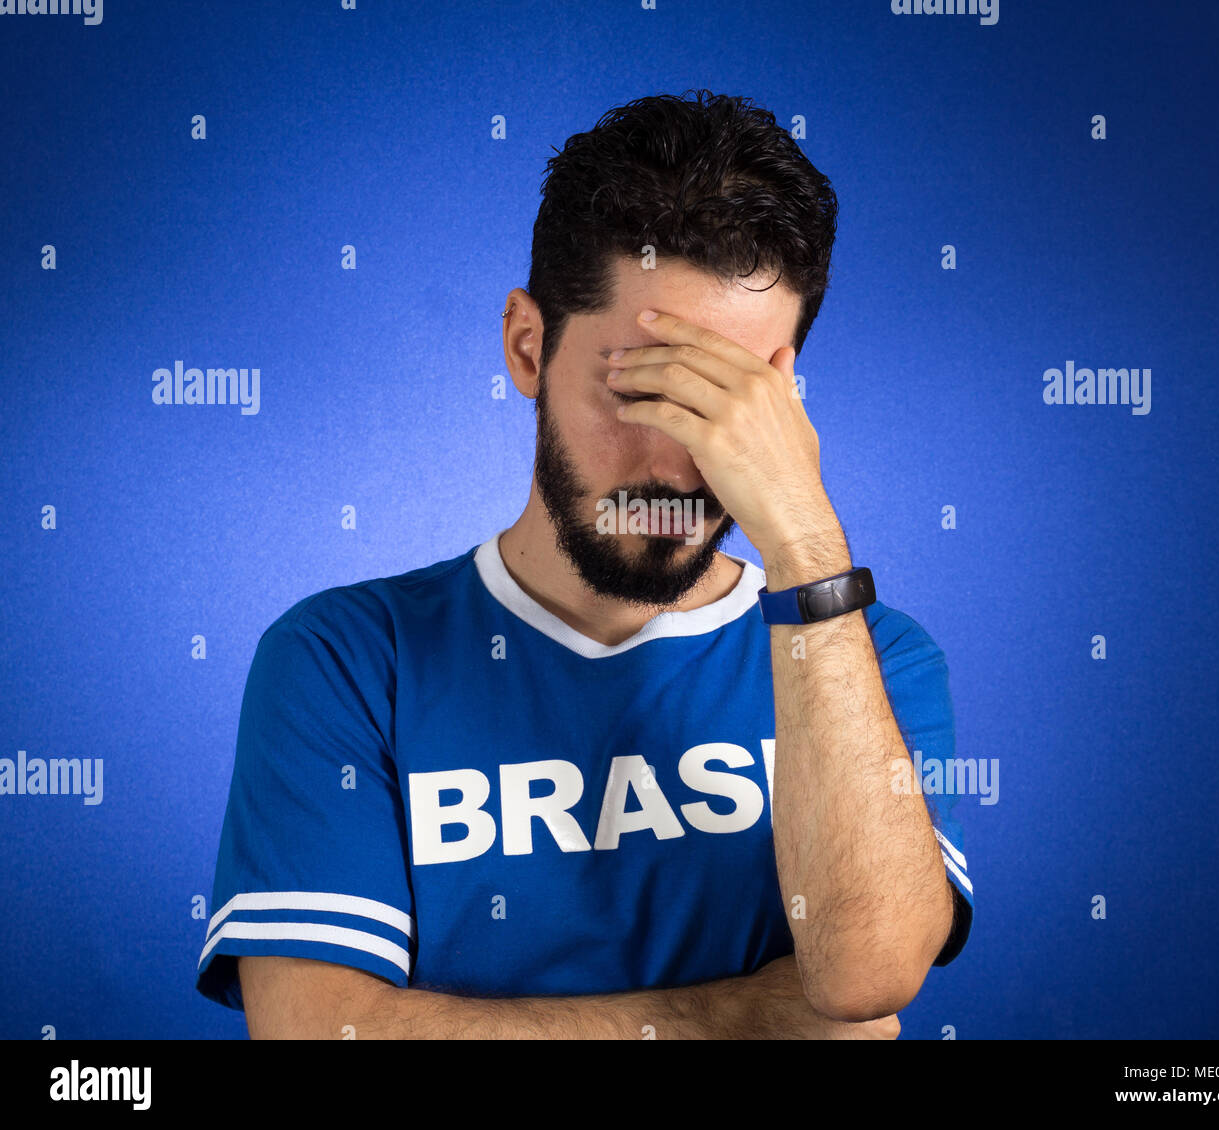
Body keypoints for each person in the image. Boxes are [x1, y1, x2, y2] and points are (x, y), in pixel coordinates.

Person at [196, 89, 972, 1039]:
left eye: (727, 406)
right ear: (528, 346)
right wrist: (748, 1021)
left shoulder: (867, 658)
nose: (677, 466)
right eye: (642, 389)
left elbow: (868, 980)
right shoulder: (347, 658)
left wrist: (805, 542)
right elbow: (323, 1032)